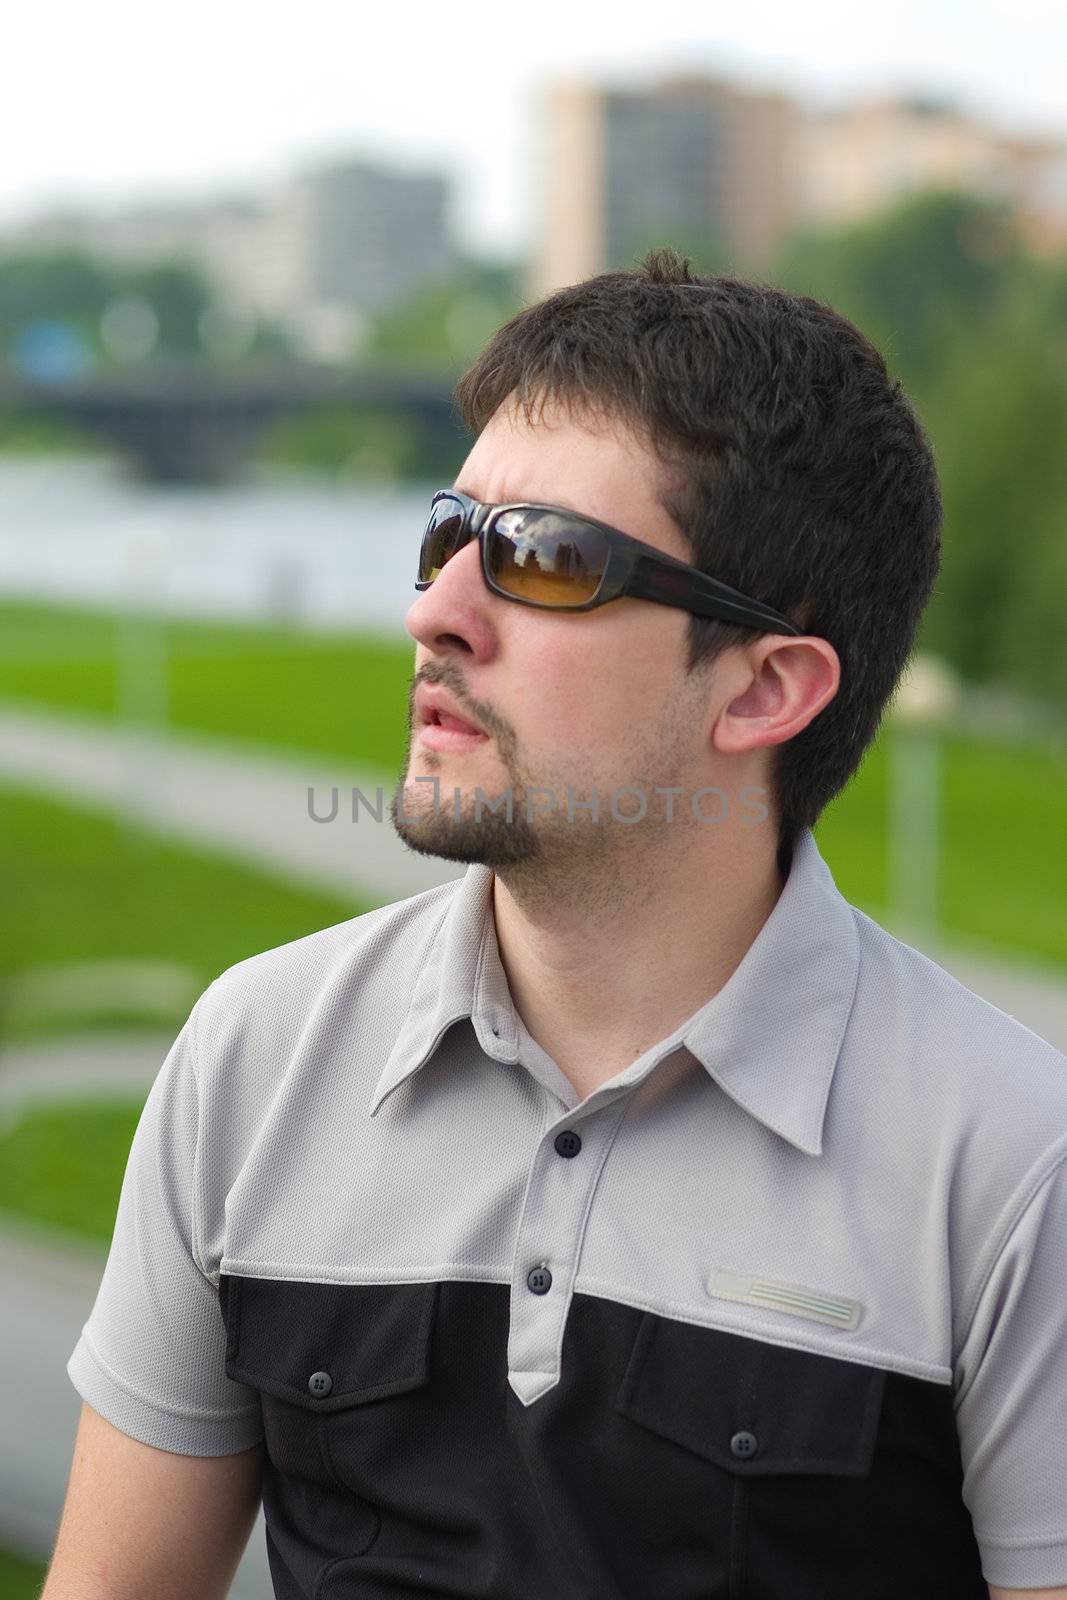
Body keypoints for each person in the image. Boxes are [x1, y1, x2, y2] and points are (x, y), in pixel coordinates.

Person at [46, 250, 1067, 1600]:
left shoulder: (1011, 1165)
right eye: (446, 535)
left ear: (765, 690)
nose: (433, 614)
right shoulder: (258, 1052)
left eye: (543, 560)